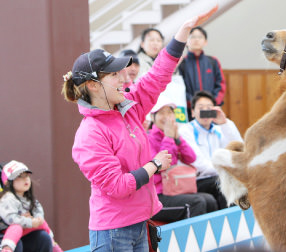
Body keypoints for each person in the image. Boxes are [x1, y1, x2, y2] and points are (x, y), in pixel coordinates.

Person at [61, 5, 217, 252]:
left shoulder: (129, 107)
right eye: (114, 74)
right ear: (92, 85)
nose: (124, 77)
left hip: (140, 223)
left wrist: (182, 35)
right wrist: (154, 165)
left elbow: (157, 75)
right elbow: (117, 186)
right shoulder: (89, 133)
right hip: (113, 232)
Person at [148, 96, 218, 222]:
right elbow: (164, 164)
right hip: (158, 195)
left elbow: (191, 158)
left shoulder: (173, 135)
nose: (166, 116)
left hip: (176, 189)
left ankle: (217, 238)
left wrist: (178, 139)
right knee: (198, 202)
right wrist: (169, 138)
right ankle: (197, 240)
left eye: (169, 112)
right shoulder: (148, 139)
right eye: (162, 113)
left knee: (210, 200)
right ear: (153, 118)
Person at [178, 91, 242, 210]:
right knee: (224, 184)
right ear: (192, 112)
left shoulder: (219, 129)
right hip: (195, 180)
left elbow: (238, 149)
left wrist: (225, 123)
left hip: (216, 178)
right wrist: (224, 171)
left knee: (233, 184)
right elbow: (198, 164)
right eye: (201, 108)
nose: (205, 111)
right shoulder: (186, 131)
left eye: (209, 108)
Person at [0, 160, 62, 252]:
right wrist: (26, 221)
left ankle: (54, 245)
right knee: (16, 233)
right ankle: (6, 249)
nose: (25, 179)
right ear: (9, 183)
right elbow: (10, 218)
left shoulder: (28, 197)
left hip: (25, 229)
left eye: (26, 176)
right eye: (20, 177)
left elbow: (38, 210)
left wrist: (36, 219)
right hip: (7, 233)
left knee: (43, 238)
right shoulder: (8, 198)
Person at [178, 26, 226, 120]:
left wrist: (211, 104)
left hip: (211, 108)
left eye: (200, 37)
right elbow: (180, 88)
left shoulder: (213, 61)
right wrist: (195, 105)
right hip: (190, 111)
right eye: (192, 37)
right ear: (186, 41)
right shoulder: (181, 63)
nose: (196, 39)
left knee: (211, 131)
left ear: (205, 41)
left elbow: (221, 85)